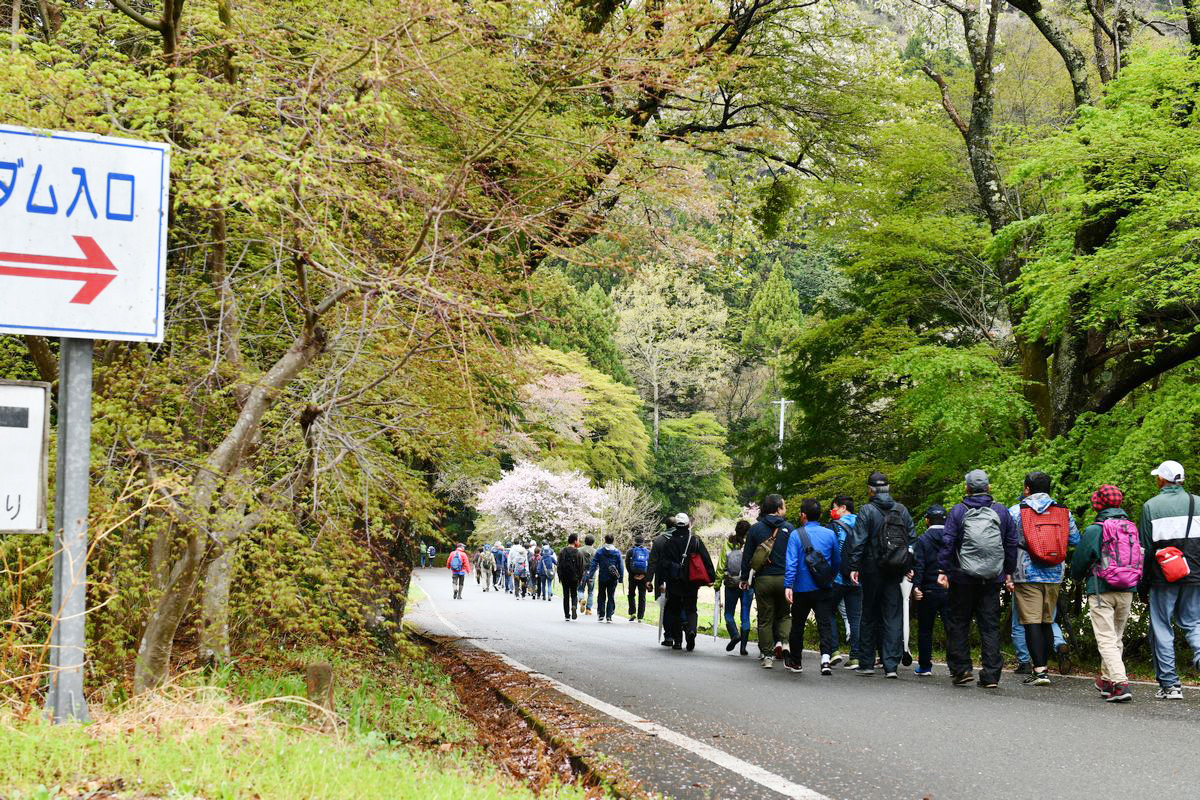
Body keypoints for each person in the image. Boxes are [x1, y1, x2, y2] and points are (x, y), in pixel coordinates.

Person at [937, 470, 1017, 688]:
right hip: (992, 578)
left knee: (958, 623)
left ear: (967, 488)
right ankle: (991, 675)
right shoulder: (1001, 511)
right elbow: (1011, 542)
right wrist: (1009, 571)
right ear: (989, 488)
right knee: (989, 625)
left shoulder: (958, 511)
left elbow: (948, 542)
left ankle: (961, 670)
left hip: (962, 577)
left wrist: (943, 569)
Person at [1010, 471, 1080, 687]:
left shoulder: (1016, 511)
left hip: (1026, 572)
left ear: (1027, 489)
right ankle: (1045, 665)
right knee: (1047, 621)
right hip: (1054, 572)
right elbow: (1076, 539)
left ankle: (1040, 671)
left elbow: (1007, 541)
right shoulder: (1063, 512)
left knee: (1031, 622)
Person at [1138, 460, 1200, 700]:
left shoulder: (1151, 507)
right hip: (1195, 575)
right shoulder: (1197, 502)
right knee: (1194, 622)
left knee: (1162, 626)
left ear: (1162, 479)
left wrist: (1142, 585)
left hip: (1163, 577)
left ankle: (1170, 685)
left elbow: (1145, 549)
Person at [1071, 484, 1138, 703]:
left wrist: (1076, 577)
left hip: (1101, 588)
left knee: (1106, 639)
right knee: (1115, 637)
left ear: (1097, 503)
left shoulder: (1094, 529)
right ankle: (1107, 681)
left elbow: (1080, 560)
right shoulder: (1130, 527)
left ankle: (1120, 683)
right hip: (1127, 588)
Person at [847, 471, 916, 678]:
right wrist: (909, 566)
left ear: (870, 489)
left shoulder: (867, 510)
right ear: (888, 488)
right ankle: (891, 666)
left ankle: (867, 663)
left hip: (871, 569)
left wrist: (853, 566)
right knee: (892, 616)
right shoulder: (902, 510)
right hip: (896, 570)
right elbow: (911, 541)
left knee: (869, 614)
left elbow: (858, 541)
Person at [783, 499, 841, 674]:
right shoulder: (830, 534)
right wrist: (829, 578)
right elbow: (837, 561)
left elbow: (791, 563)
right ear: (820, 515)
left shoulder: (795, 535)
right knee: (824, 623)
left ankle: (796, 662)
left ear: (803, 515)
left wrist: (788, 585)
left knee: (798, 625)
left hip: (801, 588)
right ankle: (825, 660)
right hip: (824, 587)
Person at [740, 494, 794, 668]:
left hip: (763, 579)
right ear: (778, 509)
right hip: (784, 579)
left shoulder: (755, 529)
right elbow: (794, 556)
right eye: (784, 506)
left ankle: (767, 656)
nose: (785, 509)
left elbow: (747, 556)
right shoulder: (789, 528)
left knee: (765, 619)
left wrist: (744, 578)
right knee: (785, 614)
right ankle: (784, 643)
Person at [659, 513, 715, 651]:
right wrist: (711, 577)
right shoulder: (695, 541)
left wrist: (661, 581)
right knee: (691, 609)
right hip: (691, 581)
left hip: (674, 581)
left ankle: (678, 642)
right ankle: (691, 630)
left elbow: (663, 564)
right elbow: (706, 559)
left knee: (675, 611)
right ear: (688, 524)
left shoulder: (669, 542)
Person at [911, 504, 950, 676]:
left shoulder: (923, 540)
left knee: (925, 630)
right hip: (949, 589)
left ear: (927, 520)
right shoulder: (951, 538)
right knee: (953, 628)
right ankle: (956, 665)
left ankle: (925, 666)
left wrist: (916, 587)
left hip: (928, 589)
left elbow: (919, 565)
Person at [828, 496, 860, 669]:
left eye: (834, 507)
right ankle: (855, 657)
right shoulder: (863, 524)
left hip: (838, 578)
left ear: (843, 508)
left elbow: (829, 552)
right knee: (856, 617)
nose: (833, 511)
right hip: (858, 579)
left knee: (829, 611)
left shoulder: (835, 526)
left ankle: (834, 651)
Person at [716, 520, 753, 655]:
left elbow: (721, 565)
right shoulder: (751, 544)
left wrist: (717, 583)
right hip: (747, 583)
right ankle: (743, 647)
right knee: (745, 615)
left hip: (731, 583)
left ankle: (734, 634)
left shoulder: (728, 543)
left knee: (728, 613)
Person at [586, 533, 624, 623]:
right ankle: (609, 616)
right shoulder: (617, 552)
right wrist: (621, 577)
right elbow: (621, 566)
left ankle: (601, 615)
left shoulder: (600, 551)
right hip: (613, 578)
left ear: (605, 540)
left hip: (602, 577)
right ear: (613, 540)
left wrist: (590, 575)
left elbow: (594, 564)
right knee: (611, 596)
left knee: (601, 595)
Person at [558, 533, 586, 621]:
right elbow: (581, 567)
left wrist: (560, 576)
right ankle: (574, 606)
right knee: (574, 594)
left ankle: (567, 615)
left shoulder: (562, 551)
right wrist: (580, 578)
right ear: (575, 541)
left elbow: (559, 565)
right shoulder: (578, 553)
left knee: (565, 595)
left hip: (565, 577)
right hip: (574, 577)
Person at [626, 534, 651, 622]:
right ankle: (640, 617)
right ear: (643, 542)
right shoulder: (648, 552)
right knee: (642, 596)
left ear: (635, 541)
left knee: (631, 594)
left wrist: (633, 575)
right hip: (644, 577)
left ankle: (632, 613)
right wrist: (644, 575)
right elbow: (650, 565)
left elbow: (627, 564)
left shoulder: (630, 551)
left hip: (632, 577)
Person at [578, 534, 598, 615]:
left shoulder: (579, 550)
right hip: (591, 573)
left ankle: (581, 599)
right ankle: (588, 609)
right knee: (591, 591)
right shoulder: (596, 552)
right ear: (593, 542)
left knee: (580, 589)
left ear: (585, 541)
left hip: (581, 572)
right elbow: (597, 564)